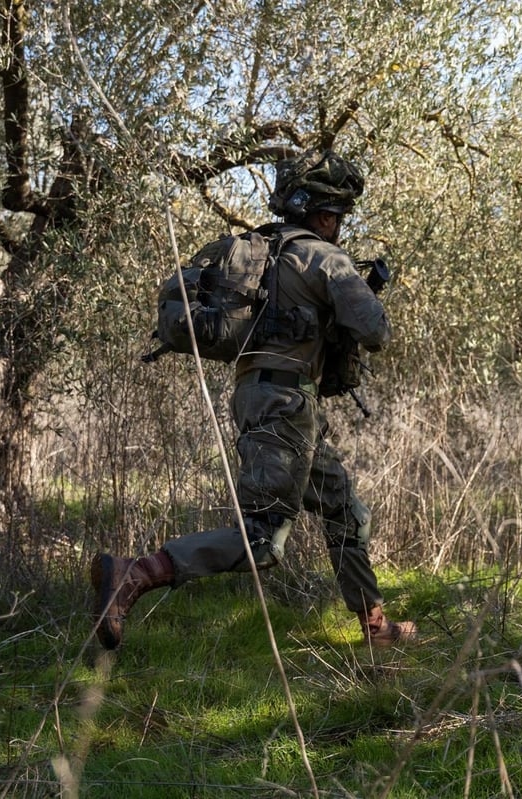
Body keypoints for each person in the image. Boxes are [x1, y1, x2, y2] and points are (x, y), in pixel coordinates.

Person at [91, 149, 417, 649]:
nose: (338, 226)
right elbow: (375, 330)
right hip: (285, 402)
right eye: (338, 217)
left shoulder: (258, 250)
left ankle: (376, 629)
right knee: (262, 539)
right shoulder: (323, 256)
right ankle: (135, 573)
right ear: (326, 214)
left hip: (266, 395)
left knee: (344, 510)